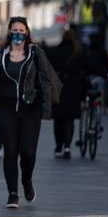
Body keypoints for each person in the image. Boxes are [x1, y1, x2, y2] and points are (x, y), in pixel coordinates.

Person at [0, 16, 59, 209]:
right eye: (15, 30)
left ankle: (27, 181)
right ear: (9, 32)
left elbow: (45, 81)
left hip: (30, 109)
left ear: (27, 33)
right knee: (11, 151)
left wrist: (46, 110)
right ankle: (12, 193)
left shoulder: (35, 53)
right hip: (6, 110)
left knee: (28, 153)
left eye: (22, 31)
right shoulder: (0, 56)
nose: (18, 34)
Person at [47, 30, 86, 159]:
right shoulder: (78, 53)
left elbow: (48, 68)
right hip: (73, 87)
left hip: (58, 86)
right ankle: (67, 146)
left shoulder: (55, 51)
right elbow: (84, 70)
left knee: (58, 119)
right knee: (69, 119)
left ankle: (58, 147)